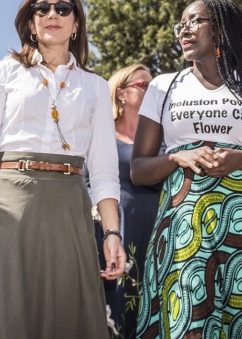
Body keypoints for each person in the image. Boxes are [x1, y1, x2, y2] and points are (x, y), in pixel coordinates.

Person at [0, 0, 126, 339]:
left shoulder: (95, 86)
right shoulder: (5, 72)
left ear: (76, 23)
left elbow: (105, 170)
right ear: (30, 24)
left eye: (63, 9)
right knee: (4, 314)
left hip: (68, 206)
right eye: (42, 9)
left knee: (69, 314)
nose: (53, 15)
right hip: (8, 204)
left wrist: (112, 233)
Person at [132, 0, 242, 338]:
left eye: (194, 21)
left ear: (222, 29)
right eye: (180, 25)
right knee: (187, 320)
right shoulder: (163, 86)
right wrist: (176, 157)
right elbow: (138, 169)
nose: (184, 30)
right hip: (183, 228)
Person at [101, 63, 160, 339]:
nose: (152, 91)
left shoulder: (163, 138)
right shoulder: (102, 135)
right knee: (119, 302)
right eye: (144, 85)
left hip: (158, 226)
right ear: (121, 94)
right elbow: (90, 184)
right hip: (118, 225)